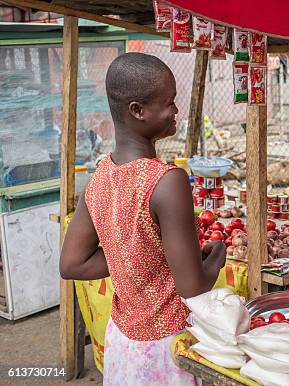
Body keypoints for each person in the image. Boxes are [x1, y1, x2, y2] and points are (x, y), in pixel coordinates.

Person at [59, 53, 226, 385]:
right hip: (168, 348)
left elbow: (72, 264)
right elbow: (192, 286)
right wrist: (216, 256)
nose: (176, 110)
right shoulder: (168, 181)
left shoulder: (101, 175)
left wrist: (135, 256)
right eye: (169, 103)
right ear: (137, 110)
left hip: (123, 345)